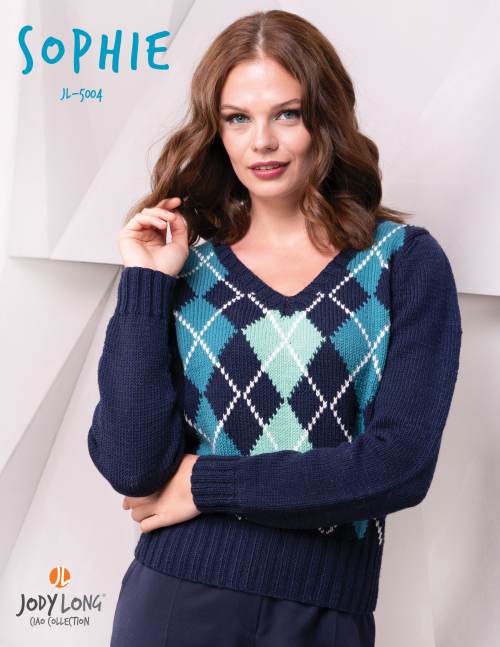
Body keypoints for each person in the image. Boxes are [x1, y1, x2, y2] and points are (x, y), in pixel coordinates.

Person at [87, 10, 462, 647]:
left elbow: (399, 466)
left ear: (325, 118)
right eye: (238, 118)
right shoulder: (186, 268)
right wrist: (146, 284)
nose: (261, 141)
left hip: (326, 611)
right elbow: (133, 466)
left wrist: (206, 483)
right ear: (217, 131)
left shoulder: (402, 263)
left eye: (287, 114)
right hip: (175, 601)